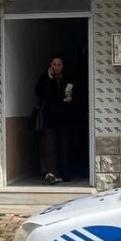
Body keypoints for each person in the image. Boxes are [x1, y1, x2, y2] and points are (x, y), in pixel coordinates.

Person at [34, 55, 74, 184]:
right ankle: (52, 173)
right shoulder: (44, 78)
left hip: (64, 117)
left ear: (63, 66)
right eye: (54, 64)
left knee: (63, 146)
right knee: (49, 147)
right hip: (49, 118)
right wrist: (49, 79)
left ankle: (64, 174)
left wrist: (70, 98)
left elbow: (71, 91)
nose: (56, 67)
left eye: (59, 65)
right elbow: (40, 93)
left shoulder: (66, 78)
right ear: (51, 64)